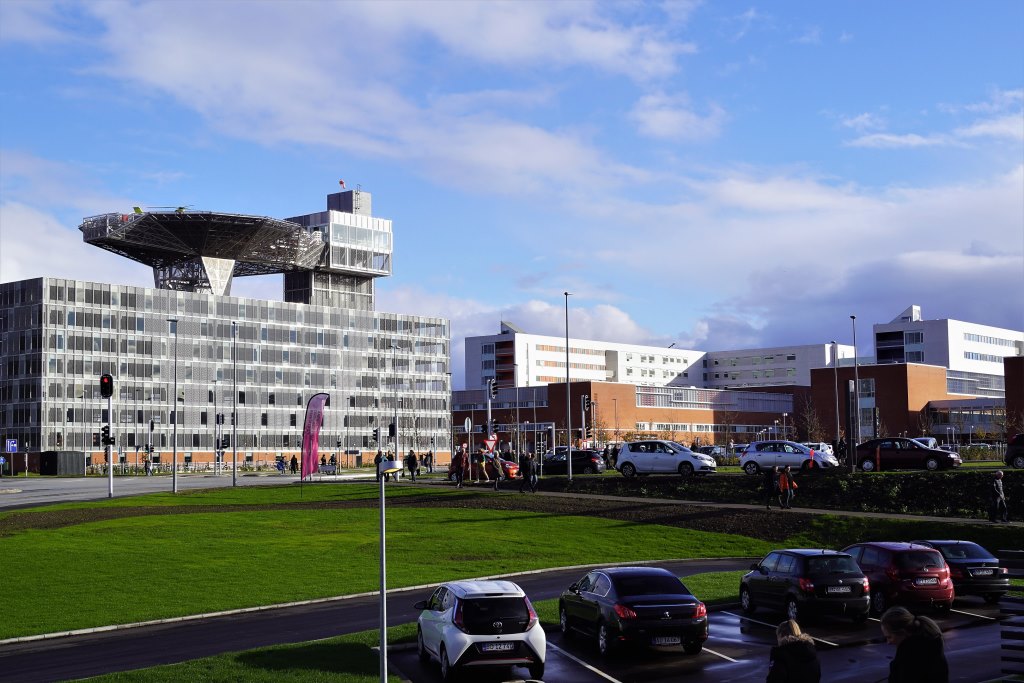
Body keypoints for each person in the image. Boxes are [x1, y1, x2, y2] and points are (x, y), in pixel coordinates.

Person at [880, 606, 949, 683]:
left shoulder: (909, 660)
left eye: (889, 637)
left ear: (902, 633)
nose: (888, 642)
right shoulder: (932, 645)